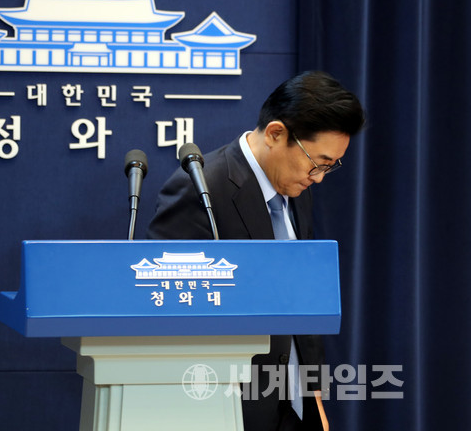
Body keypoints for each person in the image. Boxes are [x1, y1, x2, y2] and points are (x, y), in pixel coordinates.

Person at [146, 70, 365, 431]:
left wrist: (313, 397)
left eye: (329, 166)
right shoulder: (202, 188)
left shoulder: (297, 187)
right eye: (317, 162)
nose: (318, 177)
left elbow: (303, 301)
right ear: (276, 134)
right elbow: (168, 309)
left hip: (293, 405)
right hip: (226, 407)